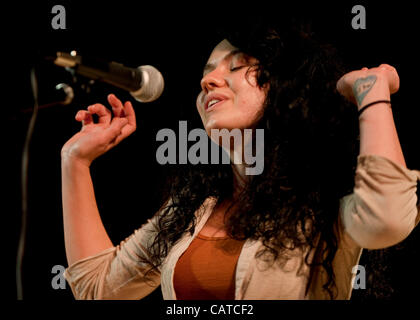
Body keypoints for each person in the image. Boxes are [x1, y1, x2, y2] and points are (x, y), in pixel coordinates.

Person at [61, 20, 420, 300]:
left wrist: (372, 90)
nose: (208, 81)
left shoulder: (322, 203)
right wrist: (75, 162)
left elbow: (386, 219)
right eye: (207, 71)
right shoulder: (191, 212)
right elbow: (97, 288)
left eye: (237, 67)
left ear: (287, 87)